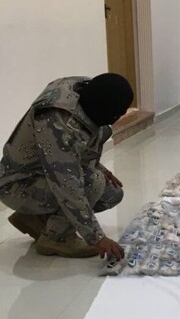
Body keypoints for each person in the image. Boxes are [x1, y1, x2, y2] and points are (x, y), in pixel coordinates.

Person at [0, 73, 132, 260]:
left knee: (111, 193)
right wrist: (97, 238)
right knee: (92, 182)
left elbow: (78, 148)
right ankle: (56, 238)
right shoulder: (58, 123)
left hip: (41, 174)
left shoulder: (83, 89)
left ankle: (34, 219)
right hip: (16, 184)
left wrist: (101, 168)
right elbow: (68, 186)